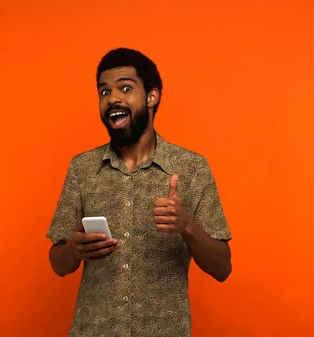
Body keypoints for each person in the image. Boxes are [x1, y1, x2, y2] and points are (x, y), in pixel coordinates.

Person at [46, 47, 232, 337]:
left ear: (151, 96)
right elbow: (58, 264)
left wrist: (188, 227)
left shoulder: (192, 168)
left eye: (126, 88)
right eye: (104, 92)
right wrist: (73, 249)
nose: (113, 98)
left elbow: (222, 268)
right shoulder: (82, 169)